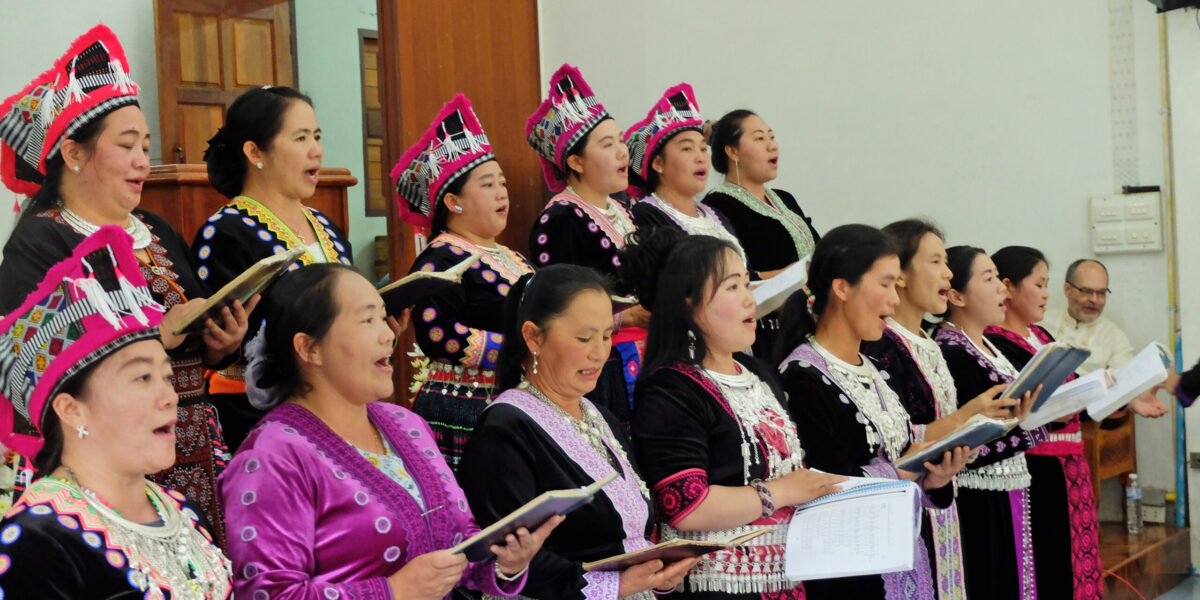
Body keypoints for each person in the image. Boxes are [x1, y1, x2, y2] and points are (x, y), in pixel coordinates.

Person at [0, 24, 249, 546]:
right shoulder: (40, 242)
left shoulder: (156, 229)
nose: (143, 161)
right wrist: (158, 335)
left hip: (192, 441)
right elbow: (31, 372)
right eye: (128, 145)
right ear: (73, 153)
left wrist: (219, 344)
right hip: (101, 463)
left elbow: (191, 340)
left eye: (147, 145)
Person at [220, 263, 553, 599]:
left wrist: (504, 562)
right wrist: (394, 590)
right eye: (367, 320)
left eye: (383, 317)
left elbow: (459, 541)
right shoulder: (271, 456)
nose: (389, 335)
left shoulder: (406, 424)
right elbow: (268, 593)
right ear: (309, 348)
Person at [0, 226, 232, 598]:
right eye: (141, 377)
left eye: (167, 377)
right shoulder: (38, 539)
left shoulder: (179, 510)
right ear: (71, 410)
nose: (169, 397)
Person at [624, 228, 844, 598]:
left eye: (747, 284)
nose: (749, 299)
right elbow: (685, 505)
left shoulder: (757, 373)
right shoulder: (671, 388)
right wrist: (783, 491)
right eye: (732, 287)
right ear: (688, 303)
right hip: (720, 584)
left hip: (786, 577)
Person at [458, 265, 696, 600]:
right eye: (584, 338)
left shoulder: (600, 416)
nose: (599, 352)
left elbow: (630, 534)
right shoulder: (504, 428)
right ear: (533, 337)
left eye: (605, 336)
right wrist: (619, 585)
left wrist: (661, 573)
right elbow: (505, 555)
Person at [776, 224, 970, 600]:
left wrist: (935, 477)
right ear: (842, 287)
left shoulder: (876, 368)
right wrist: (904, 469)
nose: (894, 300)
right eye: (884, 284)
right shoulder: (801, 377)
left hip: (901, 556)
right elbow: (822, 482)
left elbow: (904, 459)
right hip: (848, 575)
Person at [862, 220, 1035, 600]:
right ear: (901, 276)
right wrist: (970, 417)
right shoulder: (883, 347)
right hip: (913, 505)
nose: (948, 273)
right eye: (936, 261)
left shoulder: (928, 342)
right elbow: (899, 440)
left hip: (943, 500)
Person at [193, 85, 360, 452]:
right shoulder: (223, 232)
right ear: (255, 152)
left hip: (340, 405)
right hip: (263, 421)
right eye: (300, 138)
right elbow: (223, 343)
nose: (316, 149)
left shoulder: (326, 226)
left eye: (316, 136)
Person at [394, 94, 535, 470]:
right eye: (488, 185)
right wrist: (522, 349)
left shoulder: (514, 257)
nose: (502, 192)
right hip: (463, 406)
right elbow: (438, 334)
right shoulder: (439, 259)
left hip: (517, 397)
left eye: (502, 183)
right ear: (453, 201)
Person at [525, 63, 648, 427]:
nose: (622, 153)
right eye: (608, 145)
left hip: (647, 354)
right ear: (576, 161)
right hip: (603, 367)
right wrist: (629, 315)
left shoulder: (626, 210)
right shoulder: (560, 219)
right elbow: (559, 305)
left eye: (622, 142)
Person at [931, 246, 1049, 600]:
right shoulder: (952, 352)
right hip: (977, 497)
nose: (1002, 288)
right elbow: (968, 440)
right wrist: (1030, 430)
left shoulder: (992, 346)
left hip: (1012, 486)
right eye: (989, 278)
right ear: (957, 296)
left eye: (999, 277)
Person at [984, 246, 1101, 600]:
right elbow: (1028, 406)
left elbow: (1074, 383)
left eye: (1047, 283)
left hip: (1071, 468)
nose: (1047, 293)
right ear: (1008, 287)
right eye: (1039, 283)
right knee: (1051, 565)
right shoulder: (998, 343)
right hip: (1040, 470)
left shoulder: (1043, 337)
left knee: (1079, 564)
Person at [702, 109, 819, 358]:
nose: (771, 145)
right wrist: (792, 275)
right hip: (770, 333)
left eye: (772, 137)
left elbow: (818, 247)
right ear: (732, 151)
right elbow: (737, 274)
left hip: (812, 323)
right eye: (759, 138)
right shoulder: (718, 206)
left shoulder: (784, 198)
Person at [624, 84, 745, 260]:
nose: (701, 158)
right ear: (658, 163)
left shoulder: (716, 215)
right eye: (687, 149)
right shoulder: (646, 216)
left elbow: (748, 276)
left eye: (703, 149)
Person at [1041, 258, 1169, 416]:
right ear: (1067, 289)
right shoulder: (1040, 323)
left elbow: (1122, 387)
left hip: (1084, 423)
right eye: (1086, 291)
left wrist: (1132, 401)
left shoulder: (1115, 338)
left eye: (1101, 293)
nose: (1094, 300)